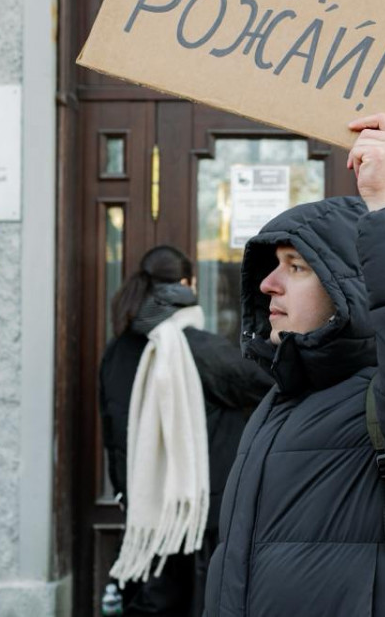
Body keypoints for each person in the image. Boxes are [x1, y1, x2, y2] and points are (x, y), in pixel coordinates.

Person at [203, 114, 385, 616]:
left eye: (297, 267)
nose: (270, 284)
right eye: (274, 267)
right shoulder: (279, 403)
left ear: (347, 293)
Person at [100, 245, 272, 617]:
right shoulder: (203, 349)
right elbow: (270, 387)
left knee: (152, 599)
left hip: (145, 509)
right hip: (200, 515)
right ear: (187, 284)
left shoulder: (118, 351)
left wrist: (127, 493)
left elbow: (113, 433)